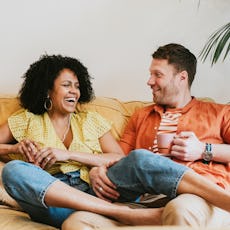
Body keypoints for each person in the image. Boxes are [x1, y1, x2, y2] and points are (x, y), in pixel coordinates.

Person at [0, 53, 230, 229]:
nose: (75, 91)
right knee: (13, 171)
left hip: (96, 188)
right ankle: (124, 214)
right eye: (67, 85)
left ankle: (225, 200)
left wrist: (79, 159)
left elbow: (121, 159)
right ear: (47, 89)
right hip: (57, 198)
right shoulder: (25, 120)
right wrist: (15, 148)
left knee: (140, 158)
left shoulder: (90, 119)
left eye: (77, 85)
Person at [87, 43, 230, 228]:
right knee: (78, 221)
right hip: (144, 199)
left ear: (182, 78)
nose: (149, 81)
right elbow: (119, 159)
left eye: (158, 75)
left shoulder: (219, 113)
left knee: (180, 210)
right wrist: (96, 170)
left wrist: (204, 149)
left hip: (195, 196)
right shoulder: (141, 115)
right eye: (150, 74)